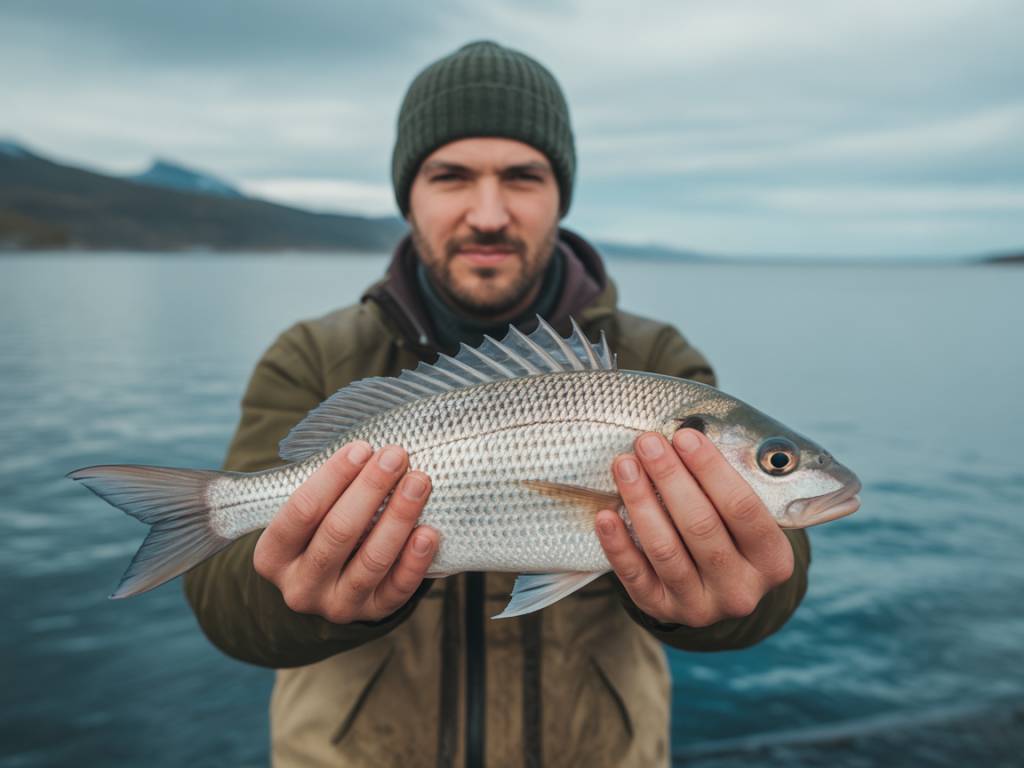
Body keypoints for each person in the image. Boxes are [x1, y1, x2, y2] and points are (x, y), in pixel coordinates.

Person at [184, 40, 810, 768]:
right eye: (450, 176)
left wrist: (736, 591)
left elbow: (776, 570)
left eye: (522, 177)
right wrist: (300, 596)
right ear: (407, 194)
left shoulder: (656, 363)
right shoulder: (312, 357)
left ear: (560, 195)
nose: (488, 213)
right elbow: (225, 604)